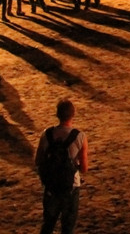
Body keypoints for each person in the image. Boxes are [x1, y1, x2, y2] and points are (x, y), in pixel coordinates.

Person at [35, 99, 89, 234]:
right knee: (68, 226)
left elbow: (38, 160)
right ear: (73, 115)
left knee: (48, 225)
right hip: (71, 186)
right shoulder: (80, 136)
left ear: (57, 114)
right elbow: (84, 168)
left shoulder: (46, 134)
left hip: (51, 186)